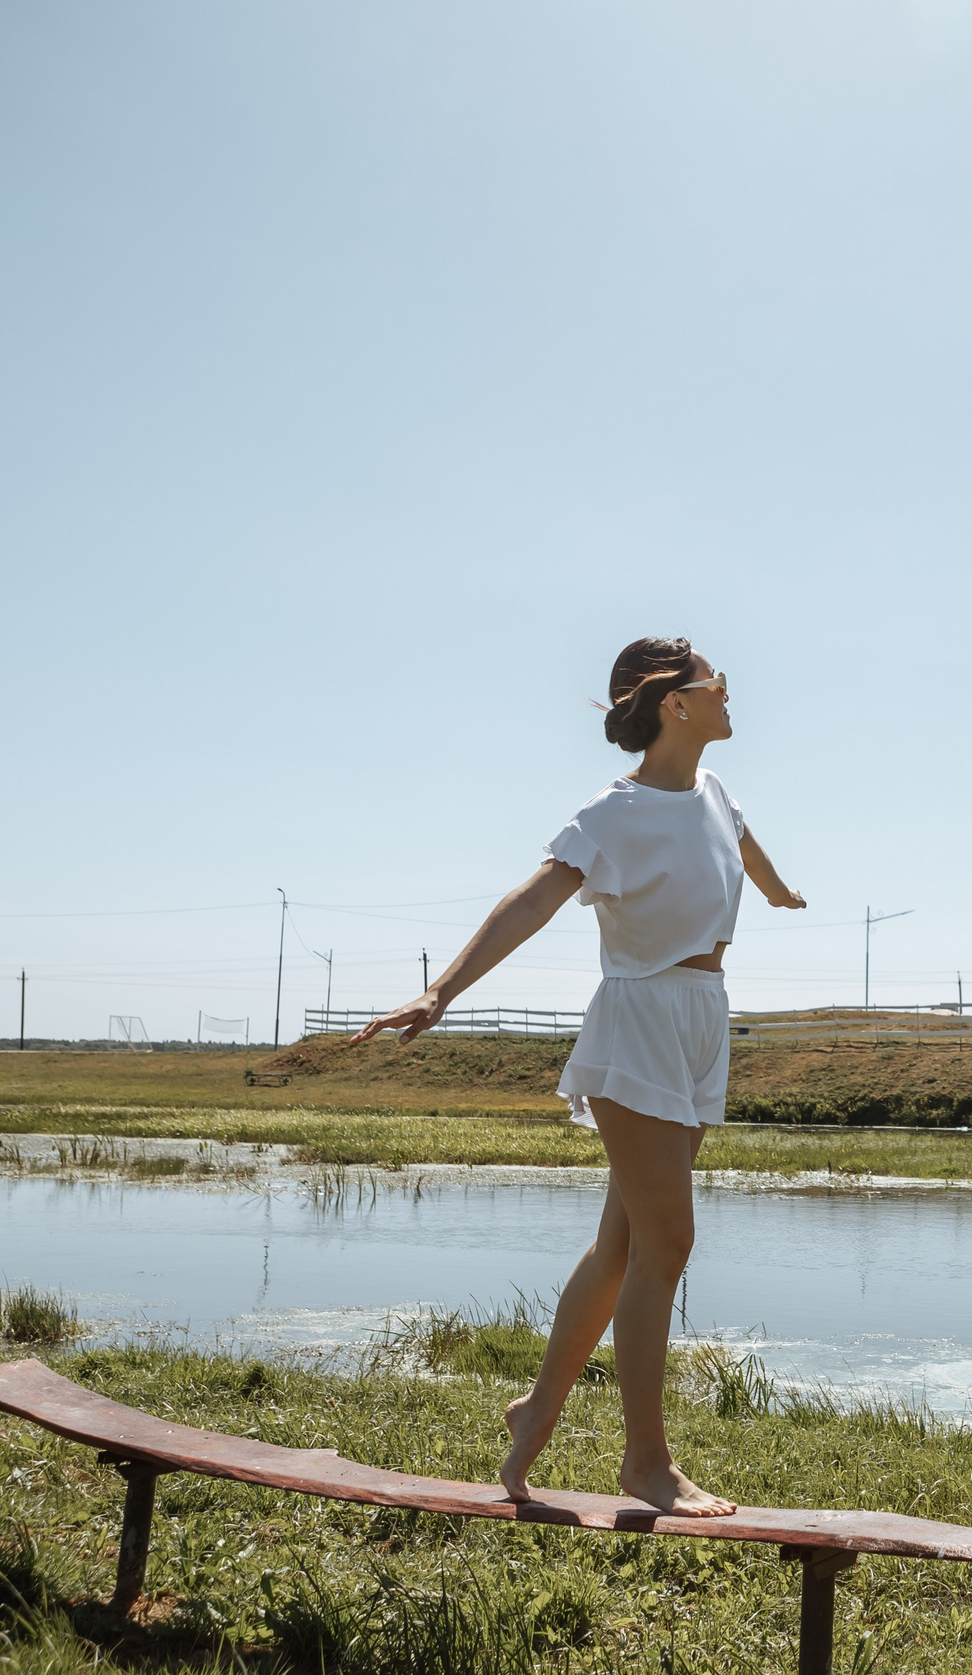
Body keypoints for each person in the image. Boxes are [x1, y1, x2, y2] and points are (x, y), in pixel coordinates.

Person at [349, 636, 807, 1515]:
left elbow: (745, 848)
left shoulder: (717, 792)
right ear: (675, 703)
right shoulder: (612, 813)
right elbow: (531, 899)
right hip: (639, 1024)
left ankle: (536, 1410)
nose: (728, 689)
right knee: (668, 1244)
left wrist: (780, 892)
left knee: (623, 1247)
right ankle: (646, 1460)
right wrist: (441, 991)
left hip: (701, 1019)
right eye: (715, 680)